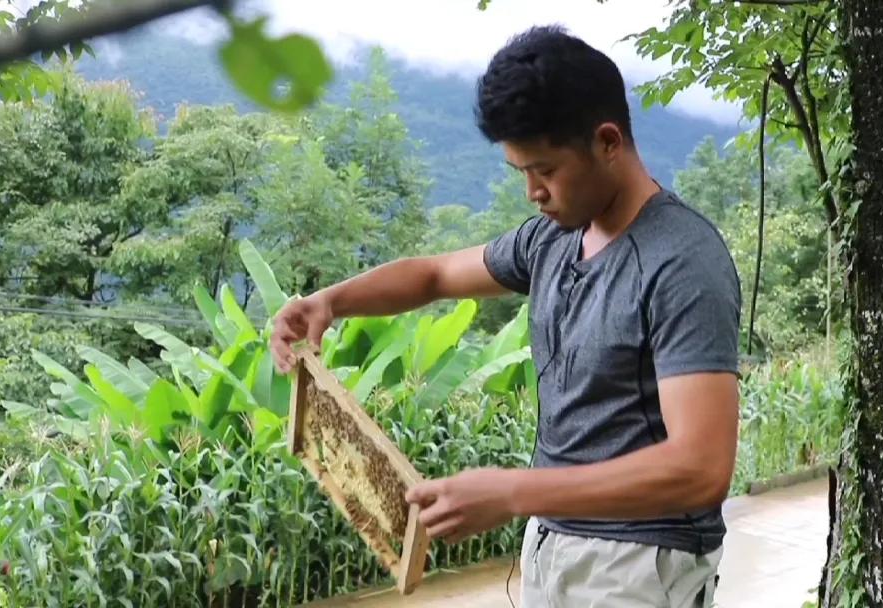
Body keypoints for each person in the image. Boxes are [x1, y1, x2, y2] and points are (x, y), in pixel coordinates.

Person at [270, 24, 741, 608]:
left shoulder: (682, 261)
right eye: (521, 172)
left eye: (545, 170)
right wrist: (330, 301)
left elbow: (701, 468)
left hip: (642, 565)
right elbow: (435, 275)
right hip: (551, 544)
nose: (532, 193)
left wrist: (514, 492)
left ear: (607, 142)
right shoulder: (552, 238)